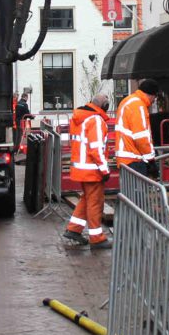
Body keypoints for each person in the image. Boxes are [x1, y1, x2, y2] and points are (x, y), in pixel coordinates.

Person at [64, 93, 113, 250]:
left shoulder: (81, 118)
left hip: (82, 168)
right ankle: (96, 238)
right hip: (92, 170)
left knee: (86, 200)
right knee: (95, 203)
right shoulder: (96, 121)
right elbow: (96, 148)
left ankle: (74, 229)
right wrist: (105, 170)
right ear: (105, 107)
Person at [116, 79, 159, 178]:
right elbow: (141, 136)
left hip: (125, 158)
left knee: (128, 192)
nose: (153, 101)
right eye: (155, 97)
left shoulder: (128, 101)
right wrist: (151, 160)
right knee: (138, 192)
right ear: (152, 95)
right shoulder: (138, 106)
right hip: (134, 159)